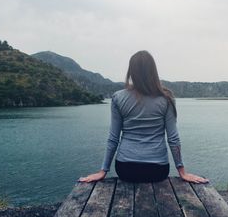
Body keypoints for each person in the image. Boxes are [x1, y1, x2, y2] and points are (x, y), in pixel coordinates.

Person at [79, 50, 208, 184]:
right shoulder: (166, 99)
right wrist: (182, 172)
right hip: (158, 170)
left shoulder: (118, 97)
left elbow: (113, 138)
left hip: (125, 169)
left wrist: (103, 171)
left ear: (131, 72)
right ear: (153, 71)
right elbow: (173, 138)